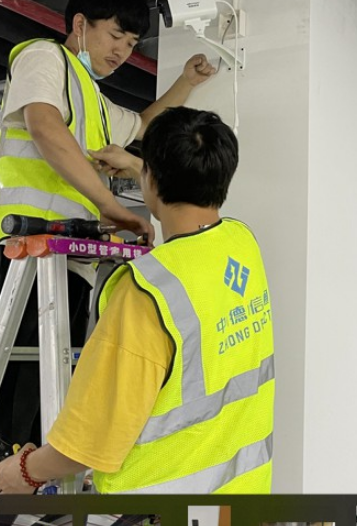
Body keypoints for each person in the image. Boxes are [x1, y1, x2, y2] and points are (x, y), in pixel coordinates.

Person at [0, 107, 275, 494]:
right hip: (243, 499)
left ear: (152, 180)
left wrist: (21, 472)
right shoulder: (241, 245)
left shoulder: (147, 293)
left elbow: (87, 444)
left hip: (161, 514)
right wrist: (142, 168)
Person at [0, 0, 215, 450]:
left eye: (132, 44)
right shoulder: (44, 57)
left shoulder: (94, 101)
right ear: (80, 24)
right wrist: (110, 206)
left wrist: (186, 82)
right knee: (13, 398)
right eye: (115, 36)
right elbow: (44, 126)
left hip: (68, 259)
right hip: (22, 252)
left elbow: (144, 125)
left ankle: (27, 476)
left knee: (37, 400)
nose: (122, 52)